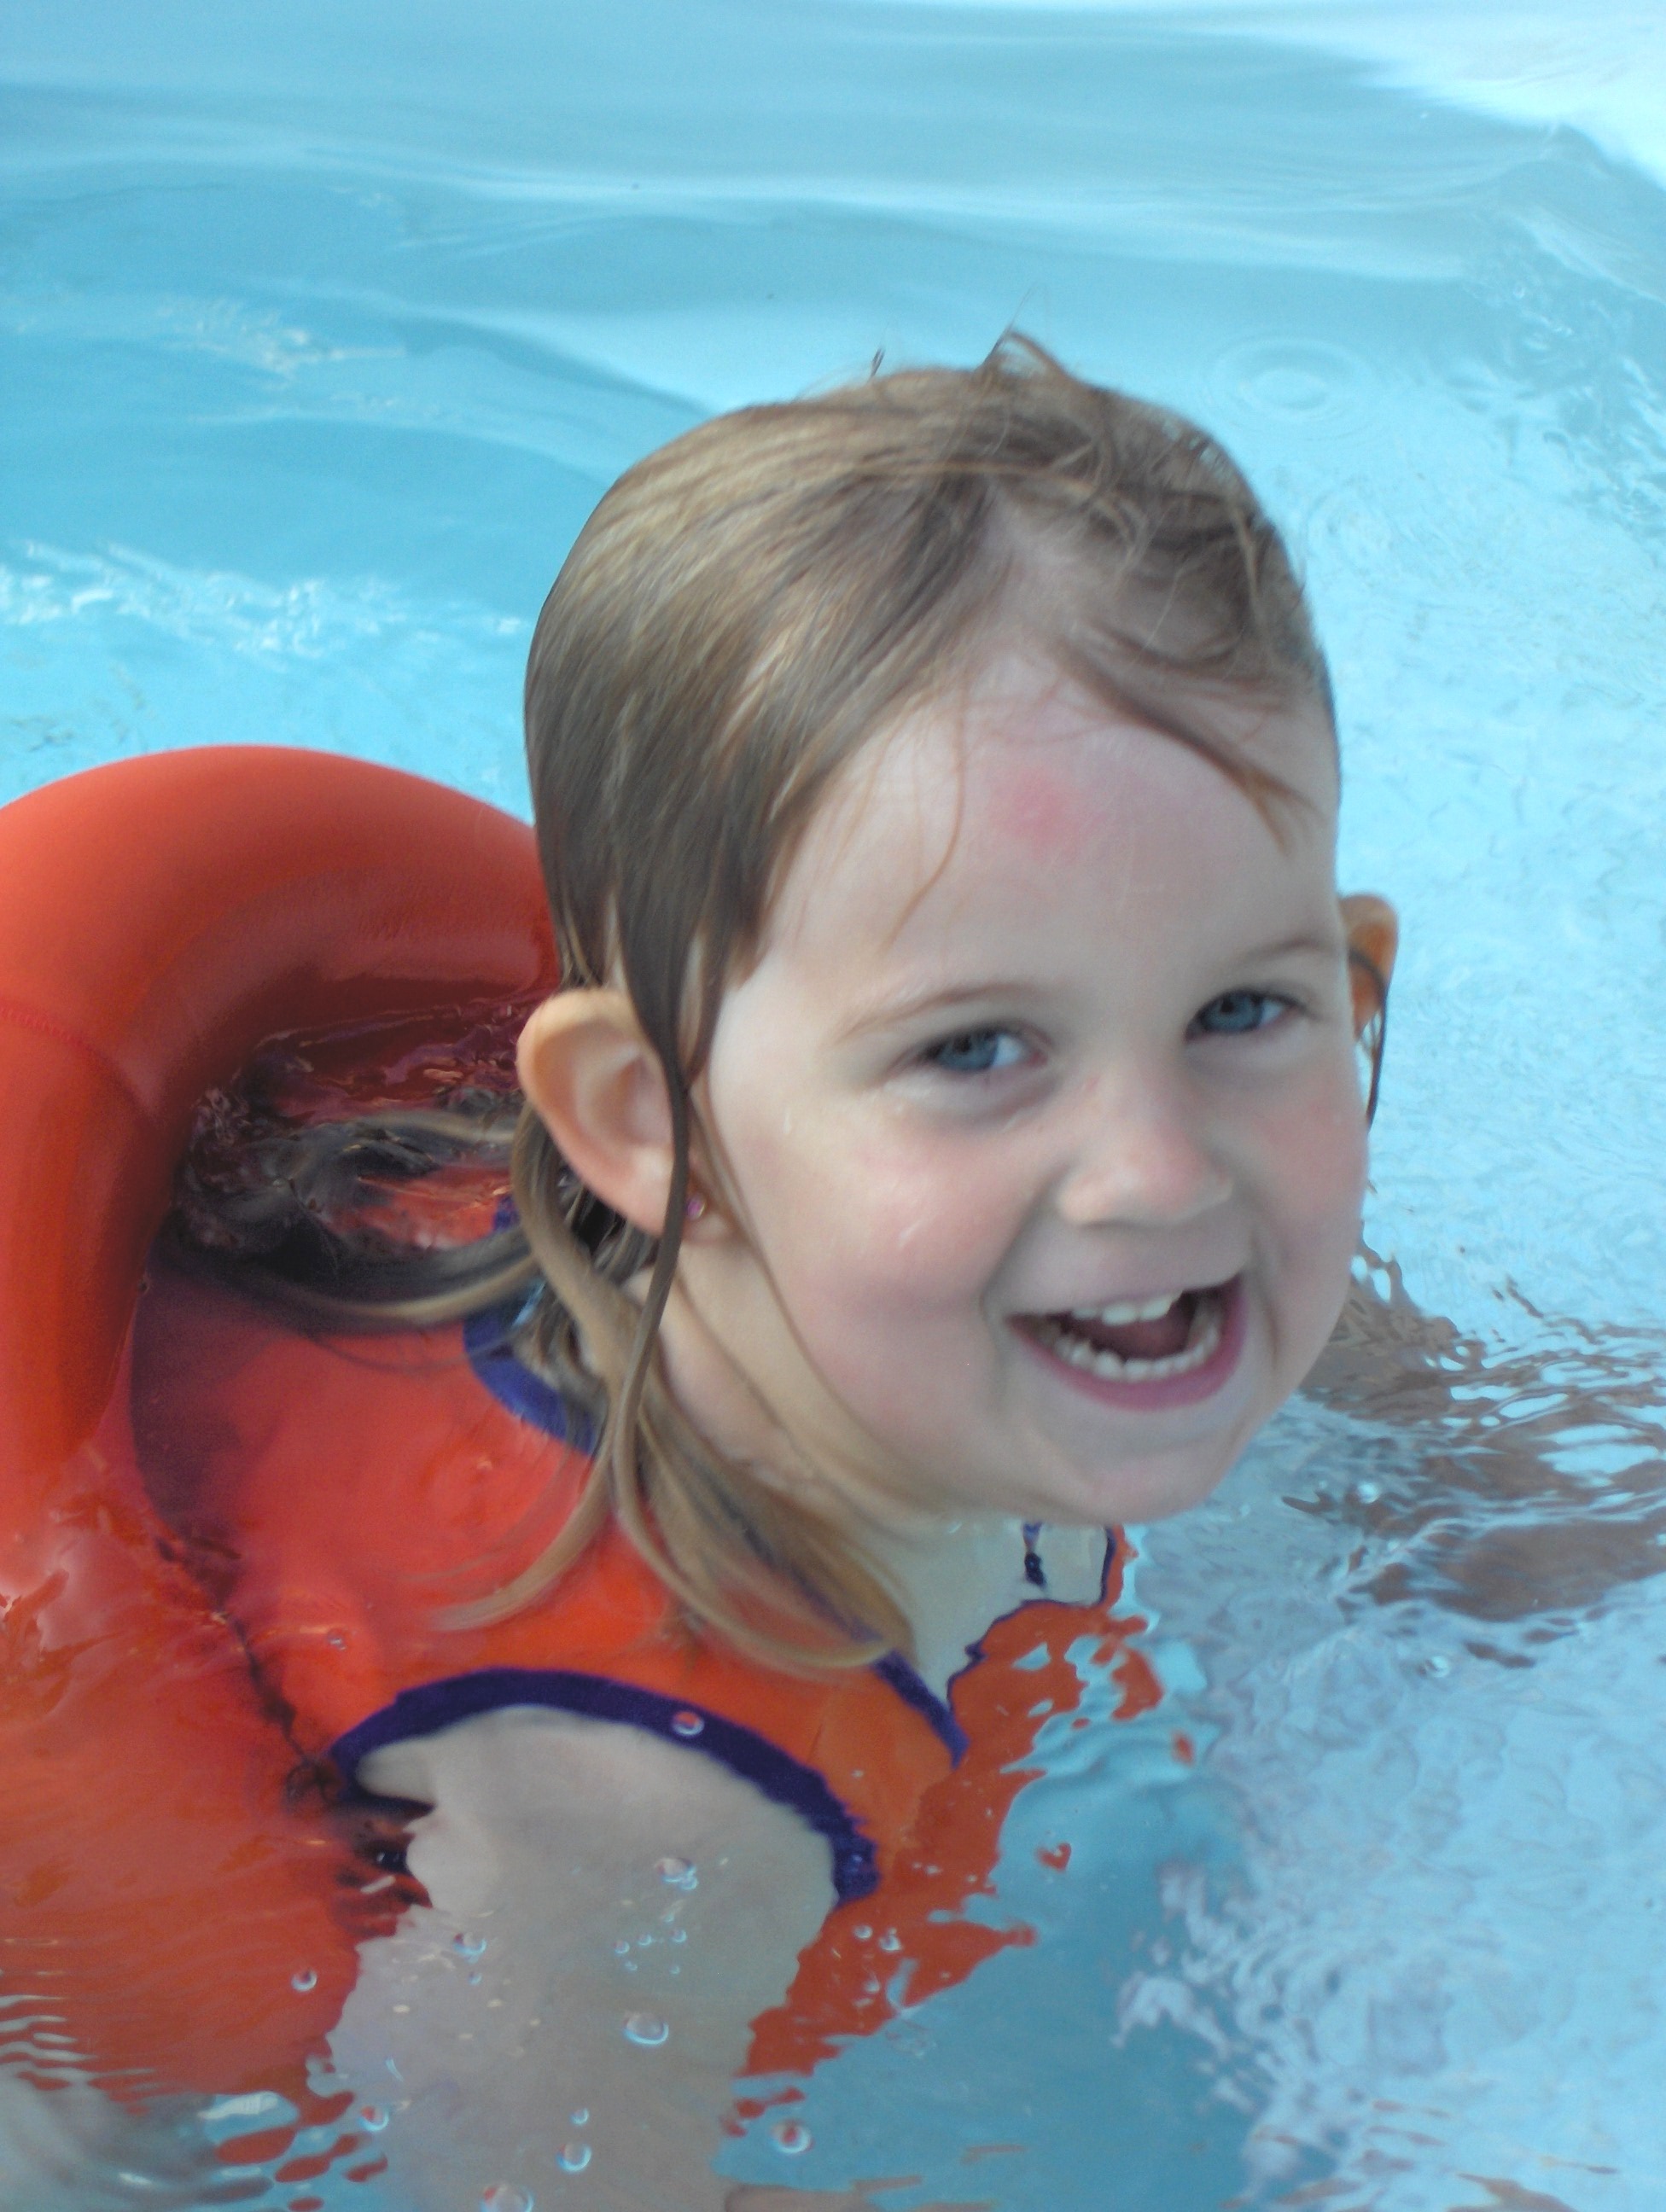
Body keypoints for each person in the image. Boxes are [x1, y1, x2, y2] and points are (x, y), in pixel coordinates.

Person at [134, 335, 1398, 2210]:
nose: (1159, 1172)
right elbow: (516, 2180)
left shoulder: (1019, 1281)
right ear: (646, 1124)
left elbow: (1319, 1308)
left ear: (1351, 979)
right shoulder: (646, 1800)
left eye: (1241, 1009)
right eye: (977, 1049)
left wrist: (1512, 1491)